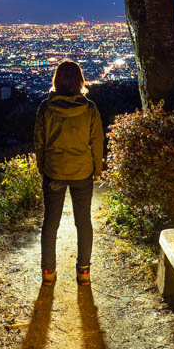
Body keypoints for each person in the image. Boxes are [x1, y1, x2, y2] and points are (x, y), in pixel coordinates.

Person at [34, 59, 104, 286]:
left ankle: (48, 273)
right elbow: (97, 142)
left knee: (50, 222)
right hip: (82, 172)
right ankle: (83, 272)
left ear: (57, 80)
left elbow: (40, 142)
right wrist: (97, 170)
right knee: (83, 222)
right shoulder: (90, 108)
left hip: (54, 170)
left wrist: (43, 166)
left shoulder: (45, 107)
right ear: (80, 81)